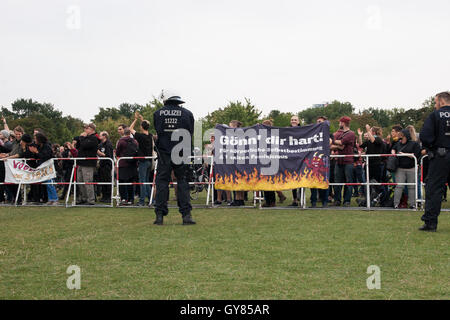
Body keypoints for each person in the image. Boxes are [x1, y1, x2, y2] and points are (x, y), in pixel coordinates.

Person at [153, 91, 195, 225]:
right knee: (183, 182)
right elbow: (190, 133)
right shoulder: (187, 114)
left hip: (164, 153)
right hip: (181, 152)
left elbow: (158, 132)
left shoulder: (158, 114)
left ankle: (159, 215)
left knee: (162, 183)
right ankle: (186, 215)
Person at [418, 91, 450, 232]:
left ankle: (431, 222)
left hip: (441, 156)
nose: (435, 105)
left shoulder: (435, 115)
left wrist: (430, 148)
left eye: (436, 102)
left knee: (434, 189)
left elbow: (425, 135)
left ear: (441, 102)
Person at [391, 129, 421, 209]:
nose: (400, 137)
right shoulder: (398, 143)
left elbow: (416, 155)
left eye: (401, 135)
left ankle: (412, 204)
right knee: (399, 186)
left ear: (406, 136)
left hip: (411, 168)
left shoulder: (414, 144)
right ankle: (396, 204)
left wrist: (404, 154)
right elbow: (393, 148)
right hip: (400, 168)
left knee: (412, 187)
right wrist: (393, 152)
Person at [330, 116, 356, 207]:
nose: (339, 124)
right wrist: (337, 144)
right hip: (339, 160)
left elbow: (341, 143)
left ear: (343, 123)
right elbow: (336, 146)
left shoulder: (351, 133)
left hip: (348, 161)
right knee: (337, 181)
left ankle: (347, 201)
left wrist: (331, 140)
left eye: (340, 122)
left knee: (348, 181)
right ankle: (337, 200)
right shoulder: (340, 134)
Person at [129, 112, 154, 206]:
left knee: (142, 181)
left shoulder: (140, 136)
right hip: (149, 161)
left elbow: (130, 128)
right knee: (147, 181)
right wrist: (142, 120)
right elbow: (145, 126)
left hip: (143, 161)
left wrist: (135, 119)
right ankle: (152, 199)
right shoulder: (150, 136)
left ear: (141, 127)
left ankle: (142, 200)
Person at [29, 133, 59, 205]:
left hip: (49, 167)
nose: (34, 140)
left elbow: (46, 156)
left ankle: (55, 199)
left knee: (50, 183)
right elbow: (37, 156)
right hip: (42, 167)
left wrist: (36, 152)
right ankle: (50, 199)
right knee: (46, 184)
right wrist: (34, 152)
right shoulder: (39, 146)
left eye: (35, 138)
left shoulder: (47, 146)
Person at [76, 123, 99, 205]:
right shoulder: (85, 138)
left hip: (88, 164)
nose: (85, 130)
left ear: (92, 129)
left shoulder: (94, 138)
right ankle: (83, 198)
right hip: (81, 162)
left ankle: (91, 199)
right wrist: (80, 138)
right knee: (80, 181)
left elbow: (85, 145)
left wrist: (82, 137)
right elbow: (78, 146)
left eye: (87, 128)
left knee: (88, 182)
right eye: (85, 128)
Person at [116, 128, 139, 205]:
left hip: (123, 163)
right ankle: (131, 199)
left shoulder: (121, 141)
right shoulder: (135, 141)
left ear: (124, 133)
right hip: (132, 164)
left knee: (122, 182)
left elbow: (117, 152)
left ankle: (123, 198)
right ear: (130, 133)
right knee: (131, 182)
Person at [97, 131, 114, 203]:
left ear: (104, 136)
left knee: (107, 181)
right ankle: (103, 196)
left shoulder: (108, 144)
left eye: (100, 135)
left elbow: (108, 155)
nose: (99, 136)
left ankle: (108, 197)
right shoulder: (100, 144)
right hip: (101, 165)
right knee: (102, 181)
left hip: (107, 165)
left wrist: (100, 153)